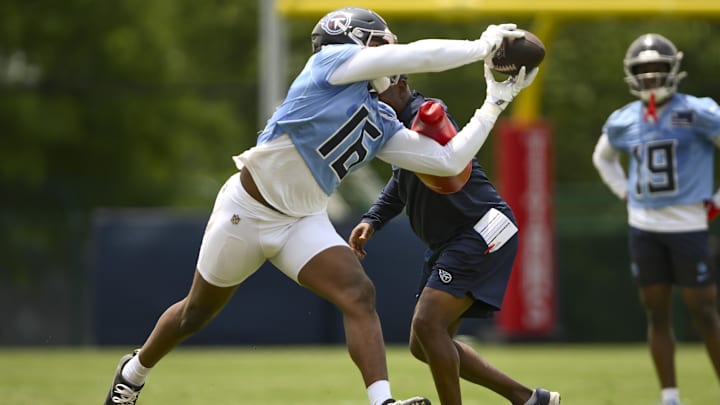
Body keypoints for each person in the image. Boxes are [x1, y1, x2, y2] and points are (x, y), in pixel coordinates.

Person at [103, 6, 538, 405]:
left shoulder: (382, 116)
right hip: (249, 209)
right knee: (195, 313)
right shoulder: (328, 66)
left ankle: (382, 402)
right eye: (382, 40)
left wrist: (495, 102)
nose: (391, 48)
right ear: (358, 41)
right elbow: (414, 57)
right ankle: (134, 371)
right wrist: (484, 46)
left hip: (301, 220)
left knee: (358, 294)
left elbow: (448, 160)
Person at [348, 73, 559, 405]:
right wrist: (372, 219)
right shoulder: (394, 128)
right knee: (423, 343)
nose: (372, 101)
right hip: (451, 240)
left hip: (481, 228)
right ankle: (529, 399)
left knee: (428, 324)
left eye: (377, 92)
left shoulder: (424, 113)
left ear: (402, 85)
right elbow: (401, 182)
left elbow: (434, 116)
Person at [592, 33, 720, 405]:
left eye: (657, 68)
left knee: (705, 311)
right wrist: (624, 191)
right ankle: (670, 397)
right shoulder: (624, 119)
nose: (650, 76)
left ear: (673, 70)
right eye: (642, 69)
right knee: (656, 312)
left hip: (688, 226)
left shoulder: (699, 111)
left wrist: (715, 200)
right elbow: (603, 158)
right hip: (644, 227)